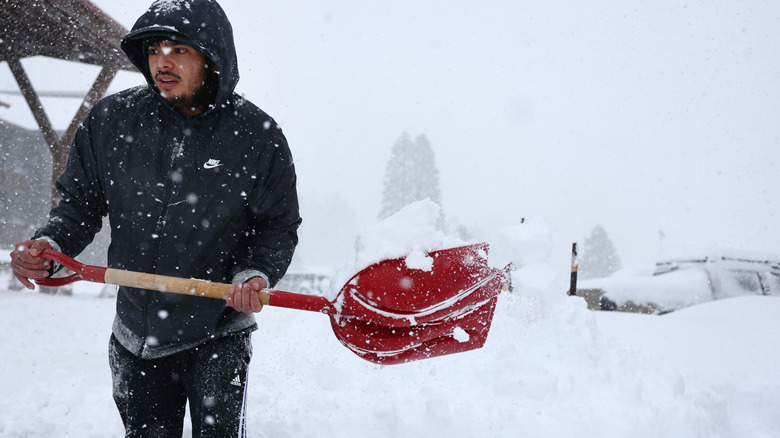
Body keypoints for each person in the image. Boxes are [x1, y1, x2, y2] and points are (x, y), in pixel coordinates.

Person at [9, 0, 301, 436]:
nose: (163, 61)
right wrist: (51, 247)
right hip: (134, 336)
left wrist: (255, 273)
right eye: (154, 49)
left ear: (212, 57)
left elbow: (276, 226)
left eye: (180, 49)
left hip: (217, 332)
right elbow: (79, 206)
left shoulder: (256, 137)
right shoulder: (112, 120)